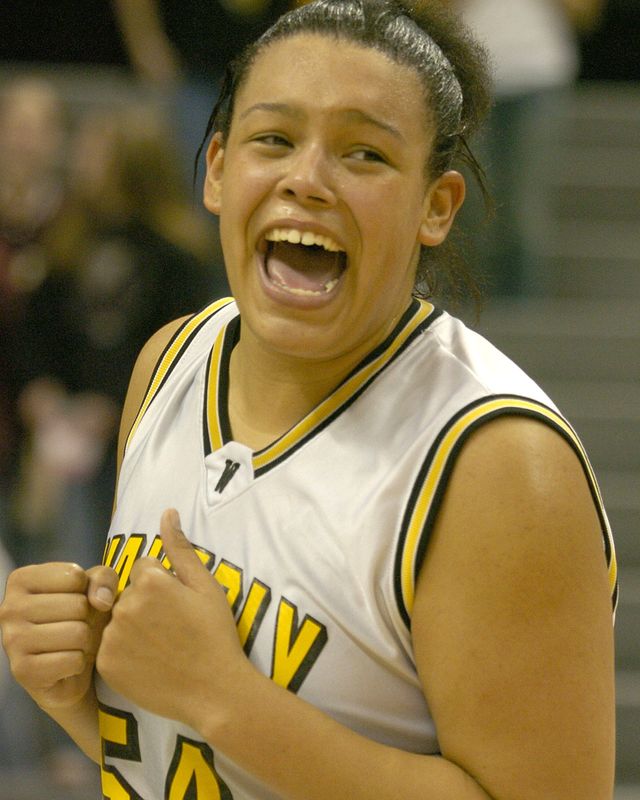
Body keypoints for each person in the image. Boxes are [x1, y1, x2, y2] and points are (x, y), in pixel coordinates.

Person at [0, 1, 618, 798]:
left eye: (364, 153)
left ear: (438, 207)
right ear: (217, 169)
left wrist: (225, 701)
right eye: (274, 139)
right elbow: (184, 766)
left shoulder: (498, 461)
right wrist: (82, 697)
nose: (306, 179)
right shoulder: (168, 364)